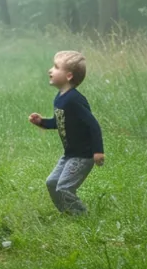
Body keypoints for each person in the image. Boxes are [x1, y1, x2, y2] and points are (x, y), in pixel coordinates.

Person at [26, 50, 105, 215]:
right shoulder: (60, 97)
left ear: (68, 76)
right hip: (69, 154)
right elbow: (59, 122)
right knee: (52, 182)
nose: (50, 70)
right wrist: (42, 122)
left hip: (83, 155)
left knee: (64, 187)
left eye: (55, 67)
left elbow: (93, 125)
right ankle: (68, 213)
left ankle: (81, 216)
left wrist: (98, 152)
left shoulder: (74, 100)